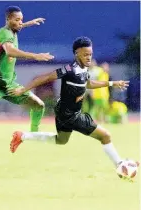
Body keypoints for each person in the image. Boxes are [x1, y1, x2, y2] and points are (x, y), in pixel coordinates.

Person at [8, 36, 135, 170]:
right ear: (76, 54)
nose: (88, 57)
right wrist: (23, 89)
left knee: (61, 140)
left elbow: (88, 84)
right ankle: (121, 165)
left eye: (90, 54)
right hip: (70, 114)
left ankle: (22, 136)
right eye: (85, 54)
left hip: (64, 111)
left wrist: (112, 83)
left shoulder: (84, 70)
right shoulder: (69, 70)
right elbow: (45, 77)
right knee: (105, 136)